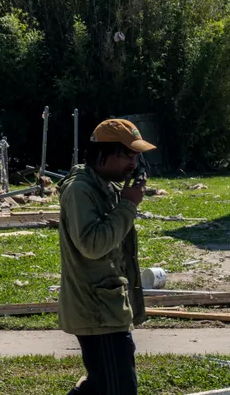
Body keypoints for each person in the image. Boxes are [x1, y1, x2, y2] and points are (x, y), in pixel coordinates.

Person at [58, 118, 155, 395]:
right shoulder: (80, 190)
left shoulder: (106, 186)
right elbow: (92, 244)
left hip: (107, 308)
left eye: (137, 156)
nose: (134, 163)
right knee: (118, 390)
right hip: (96, 311)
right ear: (103, 153)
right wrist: (127, 205)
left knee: (101, 386)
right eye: (128, 155)